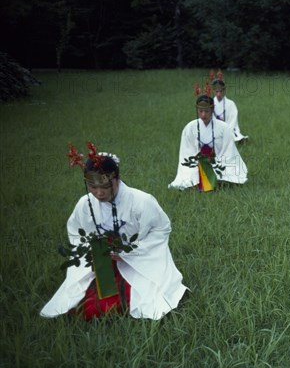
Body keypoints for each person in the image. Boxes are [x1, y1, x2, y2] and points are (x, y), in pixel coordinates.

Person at [41, 142, 188, 321]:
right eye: (93, 188)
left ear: (117, 179)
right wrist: (93, 249)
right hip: (102, 262)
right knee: (82, 305)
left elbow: (162, 228)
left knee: (132, 302)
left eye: (104, 187)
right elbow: (76, 232)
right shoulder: (84, 204)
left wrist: (131, 251)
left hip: (135, 260)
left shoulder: (141, 201)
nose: (99, 193)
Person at [168, 81, 248, 191]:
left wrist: (215, 161)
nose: (203, 115)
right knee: (192, 173)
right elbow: (186, 152)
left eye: (206, 111)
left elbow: (228, 151)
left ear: (212, 109)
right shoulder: (190, 128)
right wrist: (199, 160)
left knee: (227, 170)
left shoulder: (224, 128)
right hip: (197, 161)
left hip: (220, 160)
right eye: (200, 111)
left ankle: (216, 180)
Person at [212, 69, 248, 142]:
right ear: (213, 91)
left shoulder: (231, 104)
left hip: (228, 127)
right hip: (215, 128)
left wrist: (226, 129)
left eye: (221, 91)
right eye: (216, 91)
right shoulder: (210, 103)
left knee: (232, 136)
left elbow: (233, 119)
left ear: (224, 91)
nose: (219, 94)